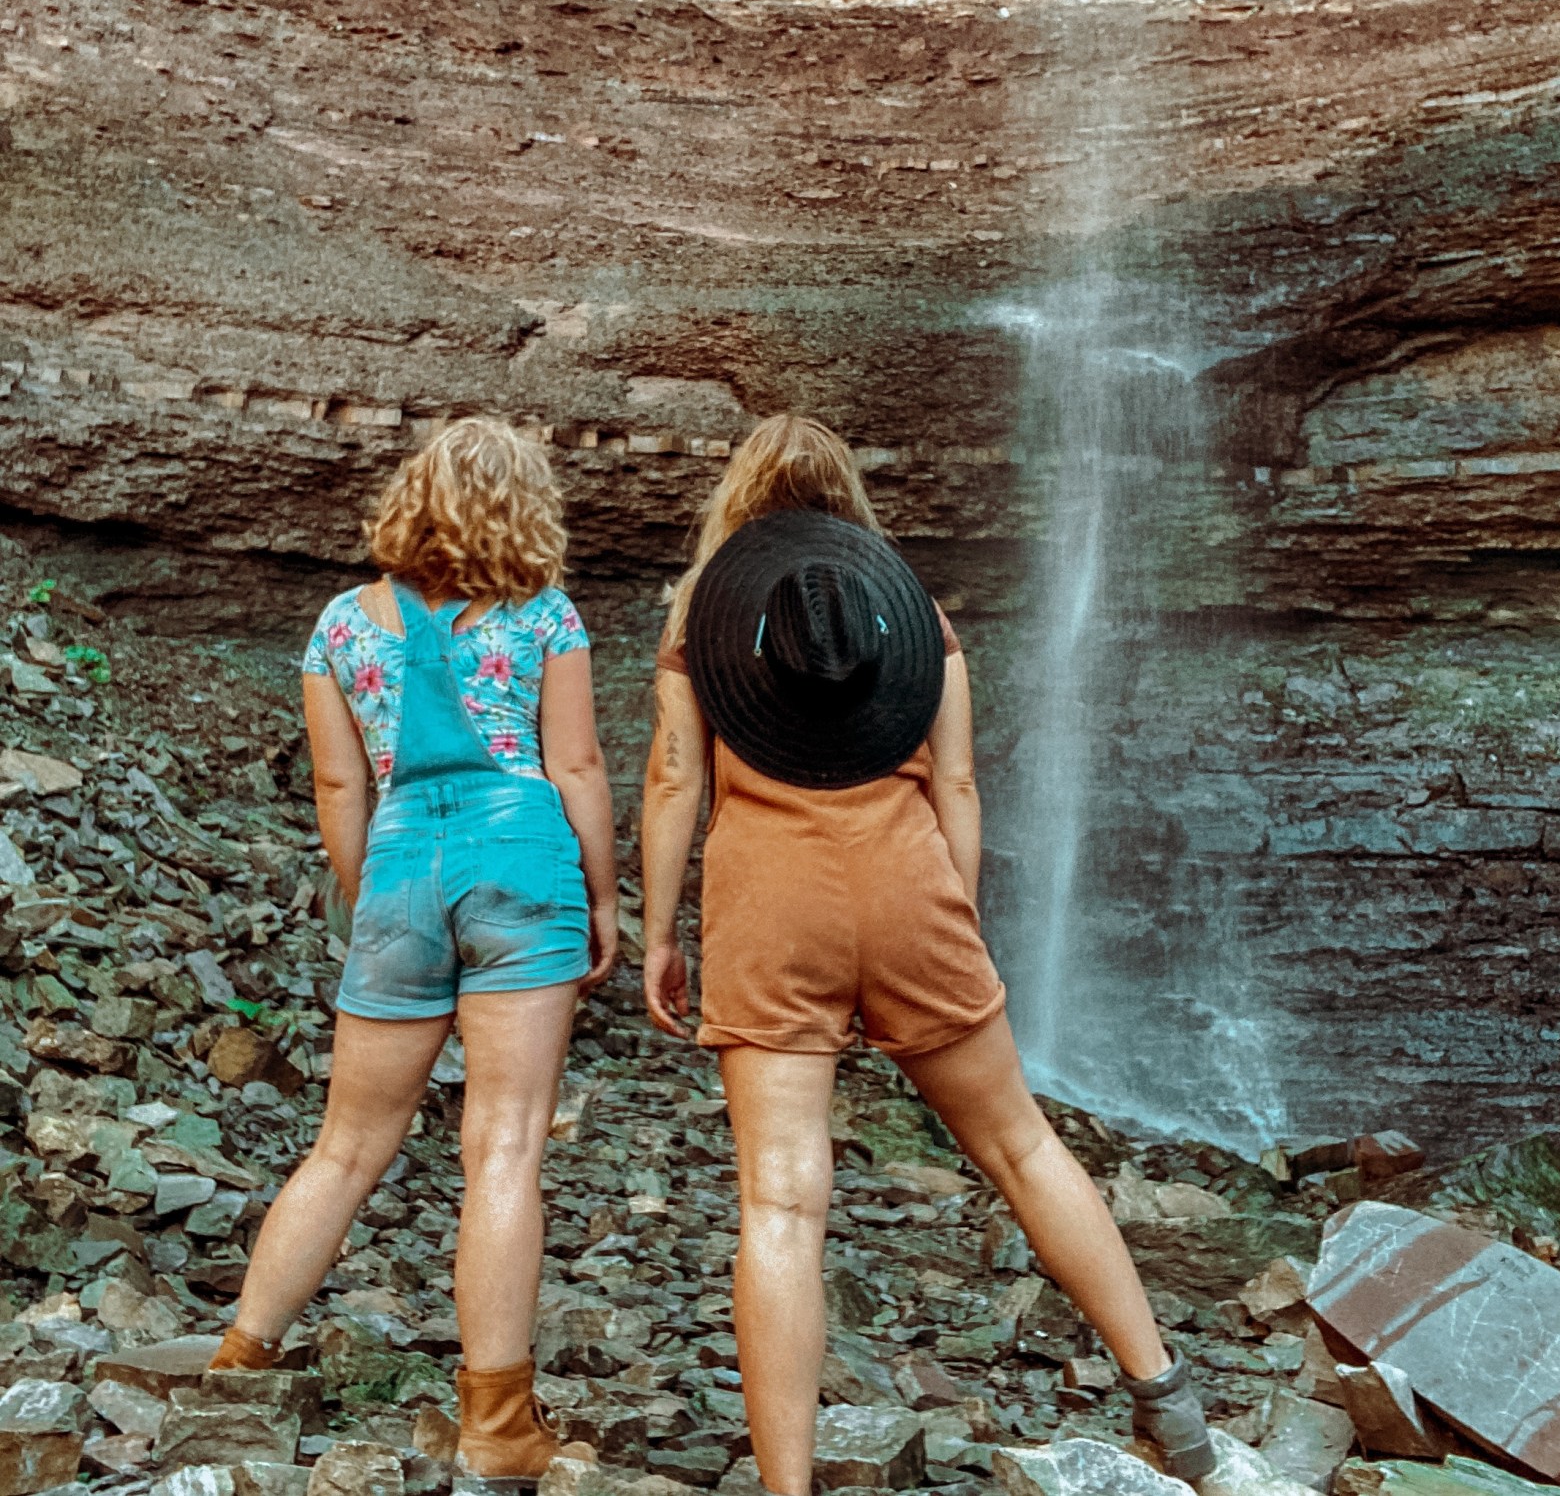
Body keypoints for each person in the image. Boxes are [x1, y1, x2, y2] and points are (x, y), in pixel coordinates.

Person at [640, 415, 1215, 1494]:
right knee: (1020, 1146)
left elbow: (677, 782)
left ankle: (788, 1486)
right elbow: (955, 782)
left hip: (769, 904)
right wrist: (955, 912)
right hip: (909, 886)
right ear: (847, 499)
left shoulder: (700, 618)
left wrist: (660, 930)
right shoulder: (915, 615)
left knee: (777, 1197)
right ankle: (1171, 1409)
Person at [209, 416, 619, 1484]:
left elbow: (338, 786)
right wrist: (605, 899)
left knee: (347, 1142)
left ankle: (237, 1359)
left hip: (396, 864)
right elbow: (574, 765)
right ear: (522, 503)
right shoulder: (544, 614)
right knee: (504, 1145)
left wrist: (371, 897)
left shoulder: (341, 625)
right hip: (522, 858)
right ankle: (496, 1421)